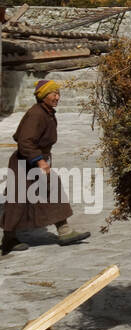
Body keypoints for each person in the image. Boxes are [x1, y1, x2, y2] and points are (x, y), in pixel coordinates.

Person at [2, 80, 91, 255]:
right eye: (53, 93)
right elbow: (24, 141)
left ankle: (64, 231)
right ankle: (9, 238)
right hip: (24, 163)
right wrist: (39, 161)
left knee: (50, 189)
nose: (57, 97)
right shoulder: (36, 114)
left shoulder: (47, 113)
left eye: (58, 93)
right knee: (17, 200)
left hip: (35, 161)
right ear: (43, 96)